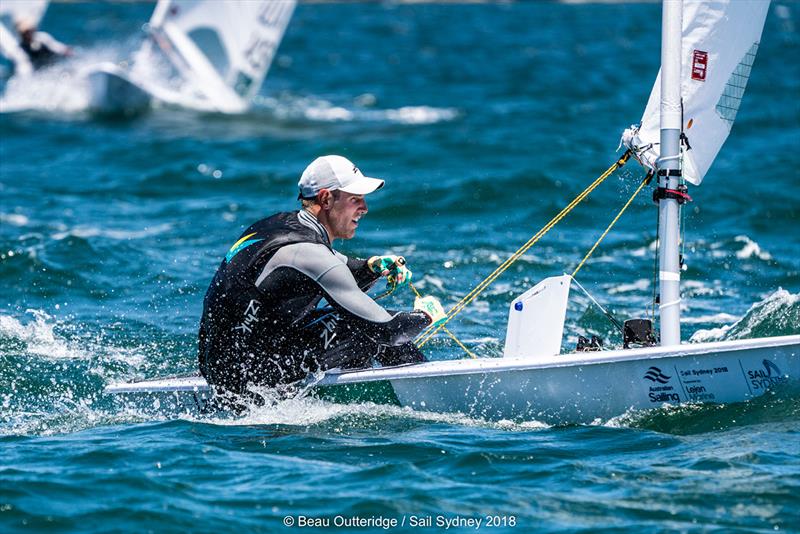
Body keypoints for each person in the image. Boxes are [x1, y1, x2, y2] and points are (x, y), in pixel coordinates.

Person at [198, 155, 446, 397]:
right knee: (365, 327)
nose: (365, 208)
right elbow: (388, 330)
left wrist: (371, 267)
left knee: (350, 318)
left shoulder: (282, 226)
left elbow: (337, 273)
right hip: (247, 380)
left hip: (224, 364)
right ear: (326, 198)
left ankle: (364, 389)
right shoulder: (309, 253)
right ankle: (431, 396)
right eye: (355, 199)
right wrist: (426, 315)